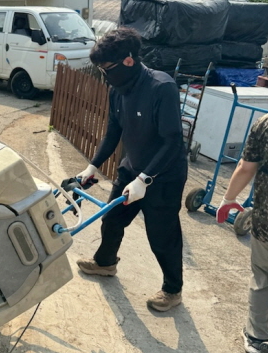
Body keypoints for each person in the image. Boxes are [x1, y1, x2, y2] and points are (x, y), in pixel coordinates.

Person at [75, 27, 188, 312]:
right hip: (131, 169)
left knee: (162, 237)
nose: (104, 75)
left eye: (107, 69)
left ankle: (172, 290)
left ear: (128, 61)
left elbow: (172, 141)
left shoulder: (161, 87)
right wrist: (92, 166)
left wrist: (145, 179)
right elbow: (113, 131)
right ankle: (105, 263)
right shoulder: (118, 89)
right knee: (111, 220)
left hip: (163, 176)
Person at [216, 110, 268, 353]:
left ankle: (256, 337)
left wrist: (228, 199)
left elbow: (246, 168)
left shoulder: (267, 123)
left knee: (263, 277)